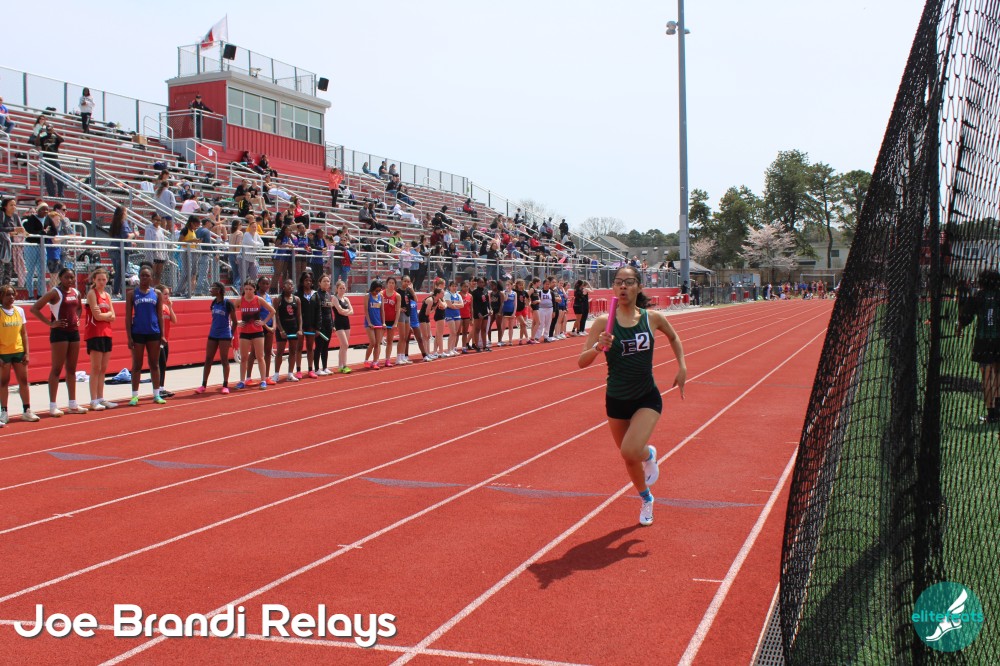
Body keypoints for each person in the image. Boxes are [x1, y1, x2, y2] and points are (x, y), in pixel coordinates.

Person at [577, 265, 687, 526]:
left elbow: (674, 337)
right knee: (629, 457)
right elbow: (581, 362)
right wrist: (598, 346)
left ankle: (646, 455)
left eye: (628, 282)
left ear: (639, 287)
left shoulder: (652, 318)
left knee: (630, 449)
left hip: (646, 396)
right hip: (616, 398)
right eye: (618, 282)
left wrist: (682, 367)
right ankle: (647, 497)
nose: (623, 287)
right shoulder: (604, 323)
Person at [31, 268, 87, 417]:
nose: (70, 280)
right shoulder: (55, 293)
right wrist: (50, 324)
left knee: (71, 369)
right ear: (60, 278)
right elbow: (34, 308)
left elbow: (79, 308)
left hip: (74, 333)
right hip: (59, 334)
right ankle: (53, 406)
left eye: (72, 277)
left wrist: (77, 318)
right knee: (56, 369)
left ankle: (73, 404)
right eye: (67, 277)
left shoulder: (76, 292)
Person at [958, 269, 1000, 423]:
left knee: (987, 377)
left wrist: (960, 325)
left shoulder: (977, 296)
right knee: (998, 374)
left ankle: (992, 414)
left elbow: (965, 317)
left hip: (983, 343)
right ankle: (998, 410)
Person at [124, 265, 167, 406]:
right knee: (137, 365)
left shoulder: (157, 294)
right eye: (142, 275)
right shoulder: (132, 294)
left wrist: (162, 335)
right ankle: (134, 396)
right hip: (138, 333)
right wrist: (129, 337)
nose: (144, 278)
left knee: (154, 364)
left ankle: (156, 394)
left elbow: (160, 315)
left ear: (152, 277)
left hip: (153, 332)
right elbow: (128, 317)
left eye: (147, 275)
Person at [0, 284, 37, 425]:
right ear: (1, 297)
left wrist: (27, 353)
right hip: (4, 353)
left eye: (12, 294)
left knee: (23, 381)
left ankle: (27, 410)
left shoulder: (19, 311)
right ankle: (4, 412)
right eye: (7, 294)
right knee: (4, 382)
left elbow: (24, 333)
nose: (11, 297)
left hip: (18, 351)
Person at [82, 267, 117, 410]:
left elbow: (113, 316)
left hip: (107, 333)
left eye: (104, 279)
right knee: (95, 368)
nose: (102, 282)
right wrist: (107, 315)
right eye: (99, 280)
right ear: (94, 280)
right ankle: (93, 400)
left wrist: (106, 315)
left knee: (103, 368)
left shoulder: (107, 295)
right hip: (95, 333)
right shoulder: (92, 293)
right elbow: (97, 316)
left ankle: (101, 398)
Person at [196, 282, 238, 394]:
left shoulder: (228, 303)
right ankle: (203, 385)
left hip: (225, 334)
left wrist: (231, 336)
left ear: (219, 290)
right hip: (213, 334)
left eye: (213, 288)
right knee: (208, 359)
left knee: (224, 359)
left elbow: (235, 322)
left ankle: (225, 385)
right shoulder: (214, 303)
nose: (210, 290)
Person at [235, 280, 276, 390]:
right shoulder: (240, 300)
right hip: (244, 332)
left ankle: (263, 380)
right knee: (244, 358)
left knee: (260, 357)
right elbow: (230, 312)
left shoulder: (258, 299)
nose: (248, 291)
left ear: (254, 290)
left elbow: (272, 311)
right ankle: (242, 381)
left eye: (250, 289)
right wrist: (236, 322)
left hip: (257, 332)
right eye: (246, 289)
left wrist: (264, 322)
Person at [273, 278, 302, 384]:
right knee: (280, 352)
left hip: (293, 327)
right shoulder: (278, 299)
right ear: (283, 286)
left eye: (291, 284)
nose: (290, 286)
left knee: (293, 351)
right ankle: (276, 374)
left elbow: (299, 316)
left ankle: (290, 374)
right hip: (282, 328)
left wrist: (300, 329)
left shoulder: (297, 299)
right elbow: (276, 315)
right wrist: (281, 330)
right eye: (288, 284)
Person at [296, 271, 319, 378]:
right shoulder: (297, 295)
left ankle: (310, 370)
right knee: (299, 347)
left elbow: (318, 312)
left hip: (311, 326)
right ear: (302, 282)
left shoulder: (315, 294)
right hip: (300, 326)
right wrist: (298, 327)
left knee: (310, 347)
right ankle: (298, 370)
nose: (308, 282)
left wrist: (317, 327)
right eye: (306, 280)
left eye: (310, 280)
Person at [158, 286, 178, 397]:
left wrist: (170, 307)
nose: (167, 296)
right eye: (165, 294)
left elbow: (174, 320)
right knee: (161, 363)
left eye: (168, 294)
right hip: (158, 340)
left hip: (166, 340)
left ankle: (161, 388)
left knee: (164, 364)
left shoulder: (166, 307)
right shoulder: (156, 307)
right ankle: (158, 389)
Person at [314, 274, 335, 375]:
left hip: (328, 324)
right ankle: (317, 369)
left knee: (326, 347)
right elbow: (316, 312)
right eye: (324, 281)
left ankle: (325, 367)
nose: (326, 283)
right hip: (320, 325)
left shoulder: (328, 295)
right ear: (319, 283)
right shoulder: (316, 295)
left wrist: (332, 324)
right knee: (319, 346)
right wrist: (317, 326)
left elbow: (330, 311)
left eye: (328, 281)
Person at [333, 280, 353, 373]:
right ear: (337, 289)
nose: (342, 290)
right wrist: (347, 311)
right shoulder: (334, 298)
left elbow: (352, 311)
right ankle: (345, 365)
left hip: (346, 323)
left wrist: (346, 312)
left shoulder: (346, 299)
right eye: (340, 288)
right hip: (338, 323)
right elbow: (339, 310)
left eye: (343, 288)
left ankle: (340, 366)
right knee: (345, 344)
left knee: (343, 345)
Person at [363, 279, 385, 369]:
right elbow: (366, 310)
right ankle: (366, 360)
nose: (377, 292)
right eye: (376, 290)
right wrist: (369, 322)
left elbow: (382, 310)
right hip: (370, 323)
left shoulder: (381, 296)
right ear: (372, 288)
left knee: (377, 343)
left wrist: (383, 322)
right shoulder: (367, 296)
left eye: (379, 290)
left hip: (378, 322)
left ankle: (375, 361)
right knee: (373, 342)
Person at [0, 198, 21, 287]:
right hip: (2, 245)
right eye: (11, 205)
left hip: (11, 246)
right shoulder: (1, 214)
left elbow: (20, 230)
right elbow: (1, 228)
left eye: (15, 205)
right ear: (5, 206)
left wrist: (14, 232)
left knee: (8, 270)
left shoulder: (16, 216)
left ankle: (5, 290)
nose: (13, 207)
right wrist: (13, 229)